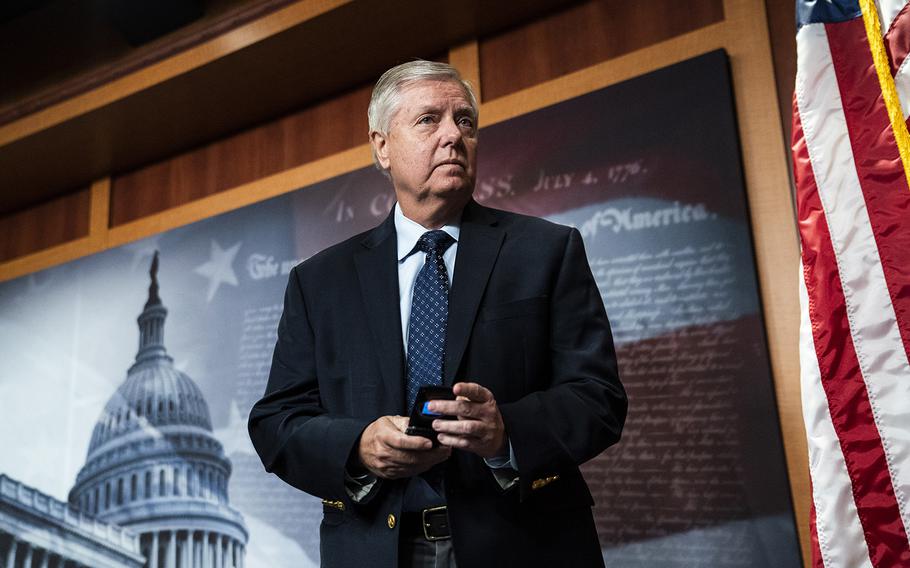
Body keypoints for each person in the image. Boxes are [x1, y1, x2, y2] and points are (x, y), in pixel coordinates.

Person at [248, 60, 627, 568]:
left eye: (465, 121)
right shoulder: (319, 282)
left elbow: (598, 397)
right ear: (382, 146)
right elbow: (277, 422)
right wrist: (357, 446)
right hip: (375, 550)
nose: (454, 135)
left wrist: (505, 432)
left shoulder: (547, 250)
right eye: (429, 120)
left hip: (525, 545)